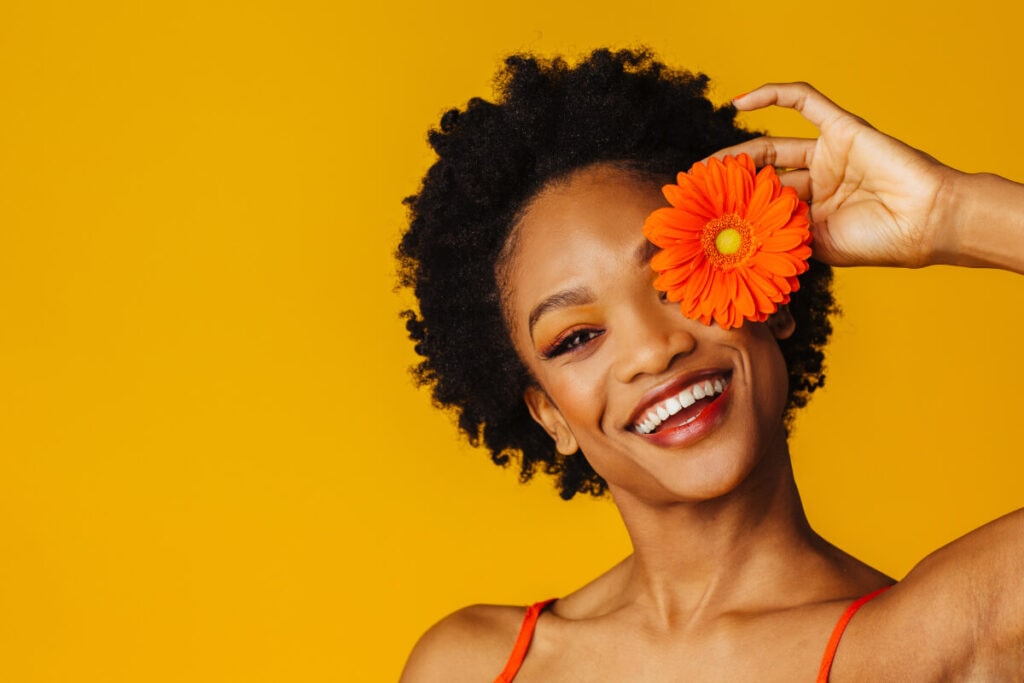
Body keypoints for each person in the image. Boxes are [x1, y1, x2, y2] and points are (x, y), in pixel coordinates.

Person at [396, 49, 1024, 681]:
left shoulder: (945, 640)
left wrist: (954, 214)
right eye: (577, 337)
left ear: (774, 300)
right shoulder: (469, 664)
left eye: (675, 279)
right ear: (550, 414)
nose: (652, 349)